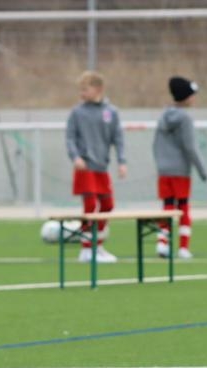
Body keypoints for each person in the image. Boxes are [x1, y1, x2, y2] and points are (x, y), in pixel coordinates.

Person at [65, 71, 127, 263]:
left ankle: (97, 245)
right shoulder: (77, 112)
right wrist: (75, 157)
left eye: (85, 89)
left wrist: (122, 161)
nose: (81, 93)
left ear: (98, 89)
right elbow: (70, 138)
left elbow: (118, 138)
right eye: (80, 89)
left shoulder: (111, 112)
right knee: (90, 206)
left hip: (101, 167)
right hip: (85, 168)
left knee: (108, 205)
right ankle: (86, 249)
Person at [152, 76, 207, 260]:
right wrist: (202, 170)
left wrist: (161, 163)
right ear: (187, 97)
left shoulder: (163, 116)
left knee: (167, 206)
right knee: (183, 207)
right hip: (181, 171)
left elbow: (156, 144)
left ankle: (162, 243)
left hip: (164, 170)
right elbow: (190, 146)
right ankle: (183, 247)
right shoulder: (185, 118)